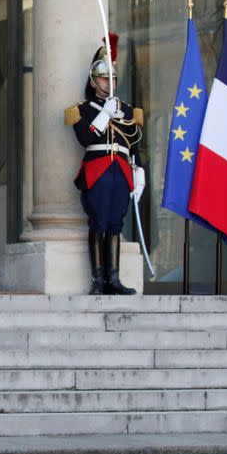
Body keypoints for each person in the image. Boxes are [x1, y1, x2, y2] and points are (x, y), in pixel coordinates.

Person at [65, 33, 145, 295]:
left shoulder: (128, 110)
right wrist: (103, 115)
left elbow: (134, 144)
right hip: (97, 169)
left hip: (121, 170)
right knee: (98, 221)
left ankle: (114, 278)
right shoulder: (84, 109)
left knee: (115, 224)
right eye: (102, 78)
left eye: (111, 78)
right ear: (93, 80)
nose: (108, 82)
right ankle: (98, 279)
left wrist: (139, 171)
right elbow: (85, 138)